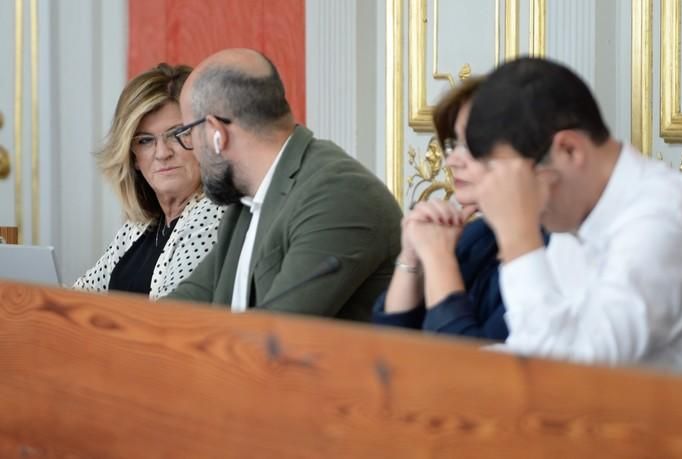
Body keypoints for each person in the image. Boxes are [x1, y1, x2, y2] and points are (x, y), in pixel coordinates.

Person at [465, 57, 682, 374]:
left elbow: (564, 375)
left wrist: (518, 237)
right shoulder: (575, 221)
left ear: (570, 150)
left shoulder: (661, 218)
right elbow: (531, 345)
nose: (521, 202)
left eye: (518, 185)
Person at [164, 49, 402, 321]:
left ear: (216, 132)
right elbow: (183, 306)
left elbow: (276, 336)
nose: (191, 149)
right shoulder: (244, 199)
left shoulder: (338, 194)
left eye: (187, 133)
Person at [371, 77, 508, 340]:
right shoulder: (477, 235)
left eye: (471, 145)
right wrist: (411, 257)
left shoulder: (553, 248)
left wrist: (437, 257)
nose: (452, 161)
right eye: (454, 144)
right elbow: (390, 343)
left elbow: (468, 364)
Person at [74, 63, 226, 299]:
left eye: (178, 134)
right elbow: (83, 294)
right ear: (132, 156)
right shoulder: (140, 226)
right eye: (145, 141)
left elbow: (166, 317)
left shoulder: (213, 214)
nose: (162, 153)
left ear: (204, 138)